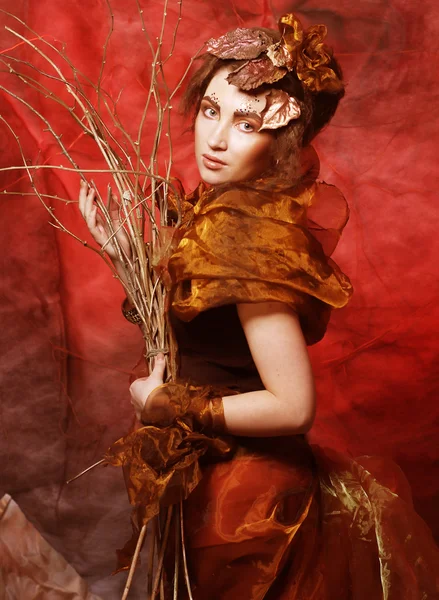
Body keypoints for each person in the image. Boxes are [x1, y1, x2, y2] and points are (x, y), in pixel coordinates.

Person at [79, 13, 439, 600]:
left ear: (283, 141)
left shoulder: (248, 237)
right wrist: (122, 249)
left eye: (247, 123)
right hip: (219, 487)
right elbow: (199, 325)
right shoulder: (220, 213)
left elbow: (292, 406)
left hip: (248, 503)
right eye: (211, 110)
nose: (216, 139)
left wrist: (167, 403)